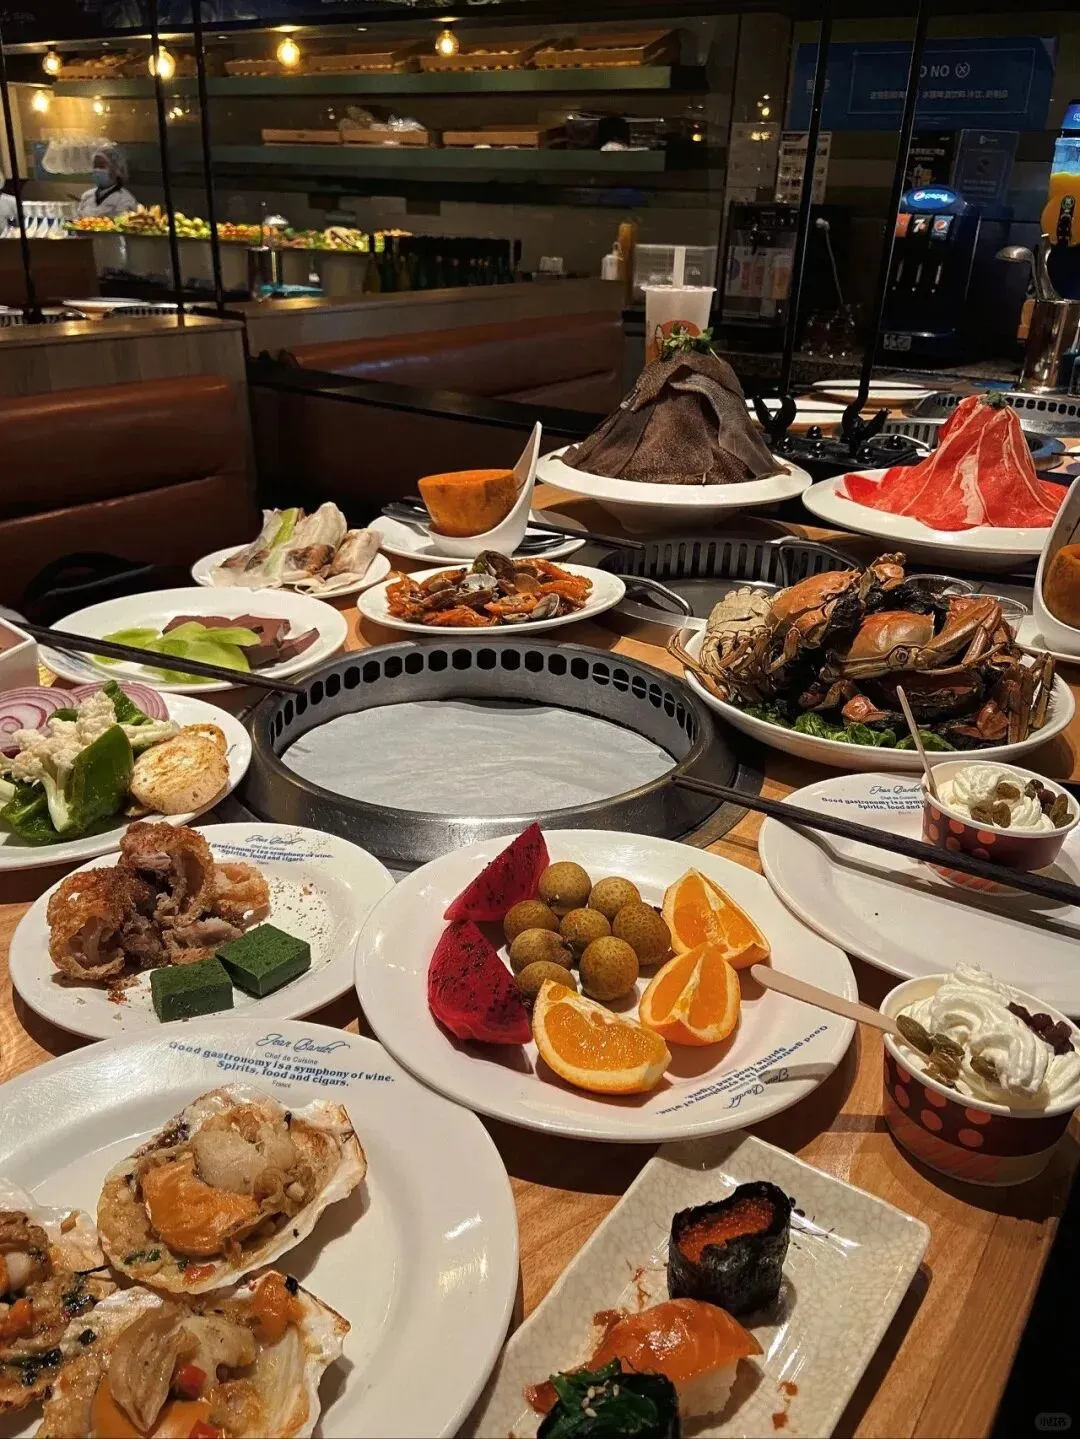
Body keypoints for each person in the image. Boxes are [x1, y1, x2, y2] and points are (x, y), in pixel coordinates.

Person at [75, 143, 137, 219]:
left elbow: (124, 224)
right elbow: (78, 221)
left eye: (101, 166)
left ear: (116, 170)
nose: (97, 170)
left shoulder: (125, 200)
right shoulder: (87, 196)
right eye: (95, 166)